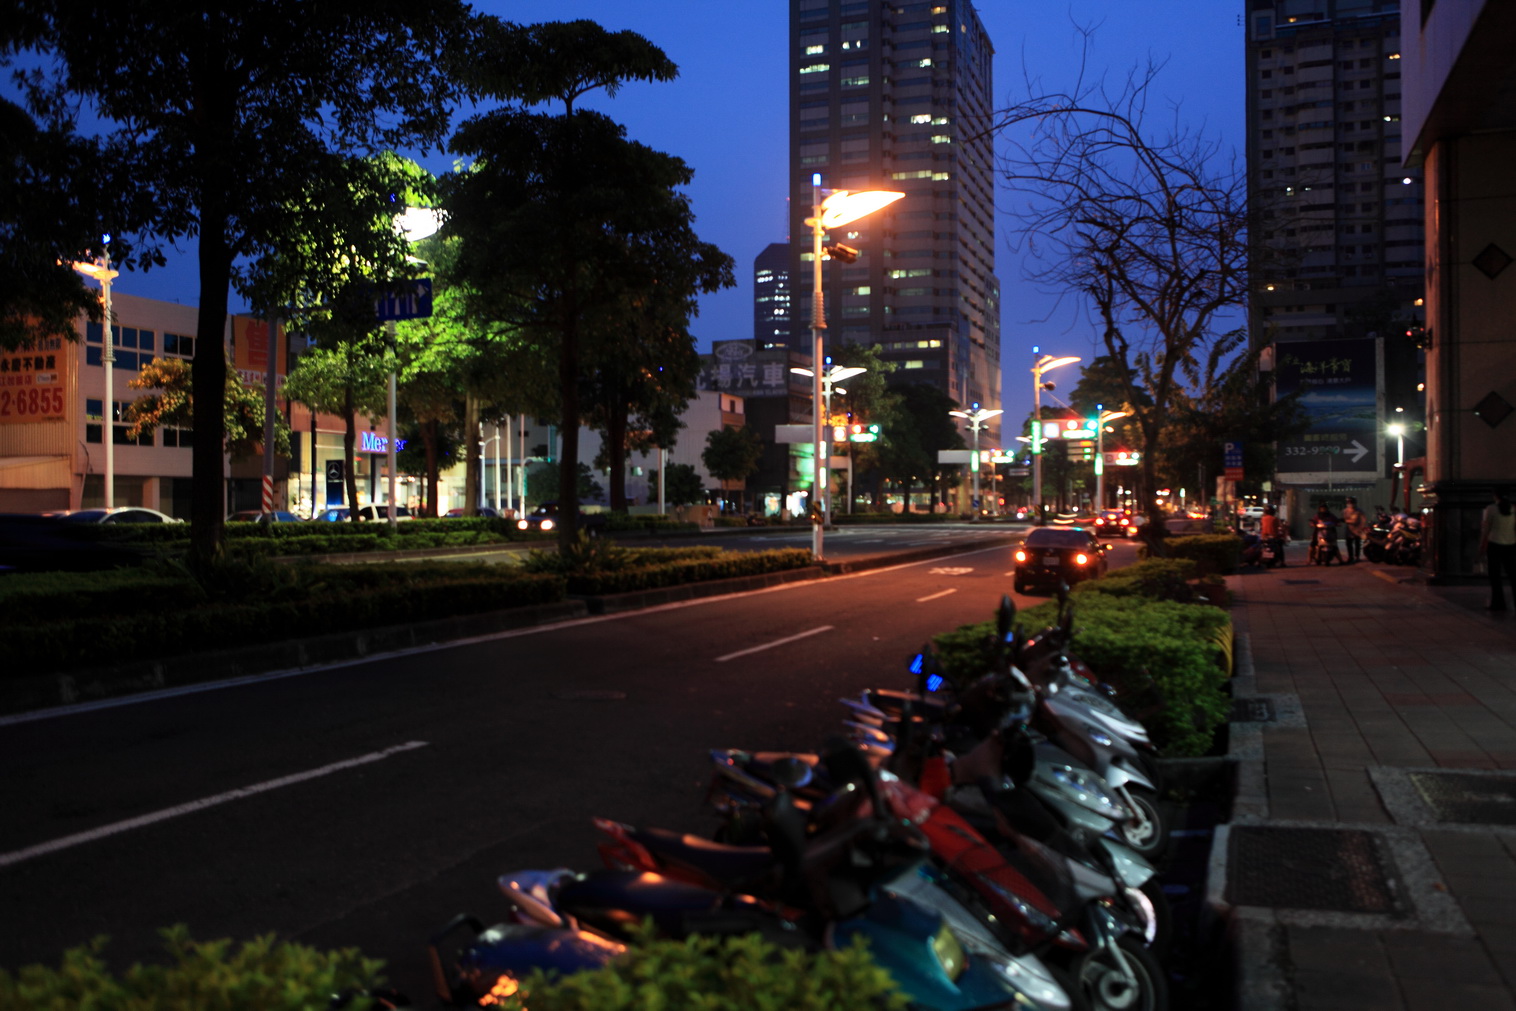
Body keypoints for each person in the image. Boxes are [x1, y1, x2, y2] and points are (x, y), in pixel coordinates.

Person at [1480, 487, 1516, 613]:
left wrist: (1482, 546)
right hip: (1511, 544)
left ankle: (1498, 603)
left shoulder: (1491, 509)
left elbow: (1486, 529)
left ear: (1495, 496)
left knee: (1495, 576)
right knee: (1513, 574)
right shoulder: (1513, 509)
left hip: (1494, 544)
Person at [1341, 496, 1369, 563]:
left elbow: (1362, 520)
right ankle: (1350, 557)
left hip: (1357, 529)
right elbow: (1344, 519)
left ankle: (1357, 557)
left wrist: (1361, 527)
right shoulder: (1345, 511)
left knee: (1357, 543)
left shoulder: (1359, 511)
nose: (1350, 504)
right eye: (1349, 502)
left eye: (1352, 502)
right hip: (1349, 530)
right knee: (1349, 544)